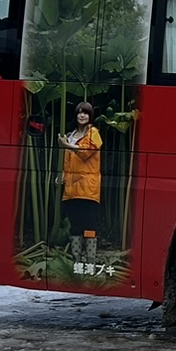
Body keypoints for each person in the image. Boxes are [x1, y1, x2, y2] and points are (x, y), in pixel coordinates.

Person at [61, 101, 105, 261]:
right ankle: (77, 261)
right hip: (71, 189)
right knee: (75, 226)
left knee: (90, 227)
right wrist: (62, 177)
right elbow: (67, 162)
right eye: (79, 112)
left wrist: (67, 146)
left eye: (85, 112)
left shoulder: (93, 133)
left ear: (90, 116)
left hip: (88, 188)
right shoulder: (71, 135)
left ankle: (90, 261)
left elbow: (86, 153)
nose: (82, 115)